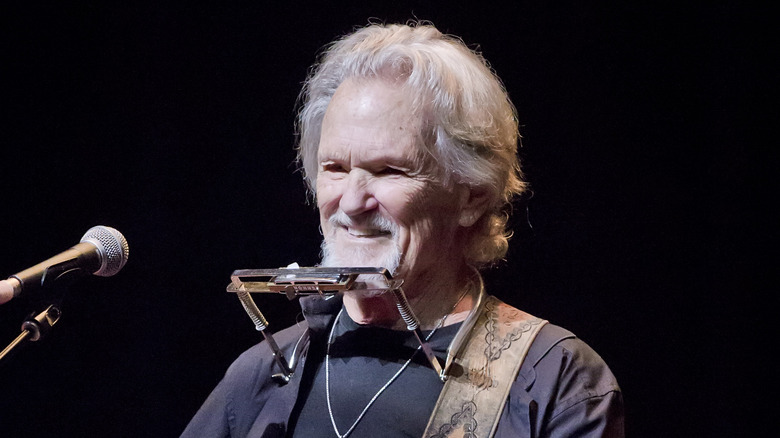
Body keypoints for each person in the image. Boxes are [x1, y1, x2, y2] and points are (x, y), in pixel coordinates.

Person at [182, 21, 624, 438]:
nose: (352, 203)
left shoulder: (554, 380)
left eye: (388, 170)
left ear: (471, 196)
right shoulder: (262, 375)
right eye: (334, 168)